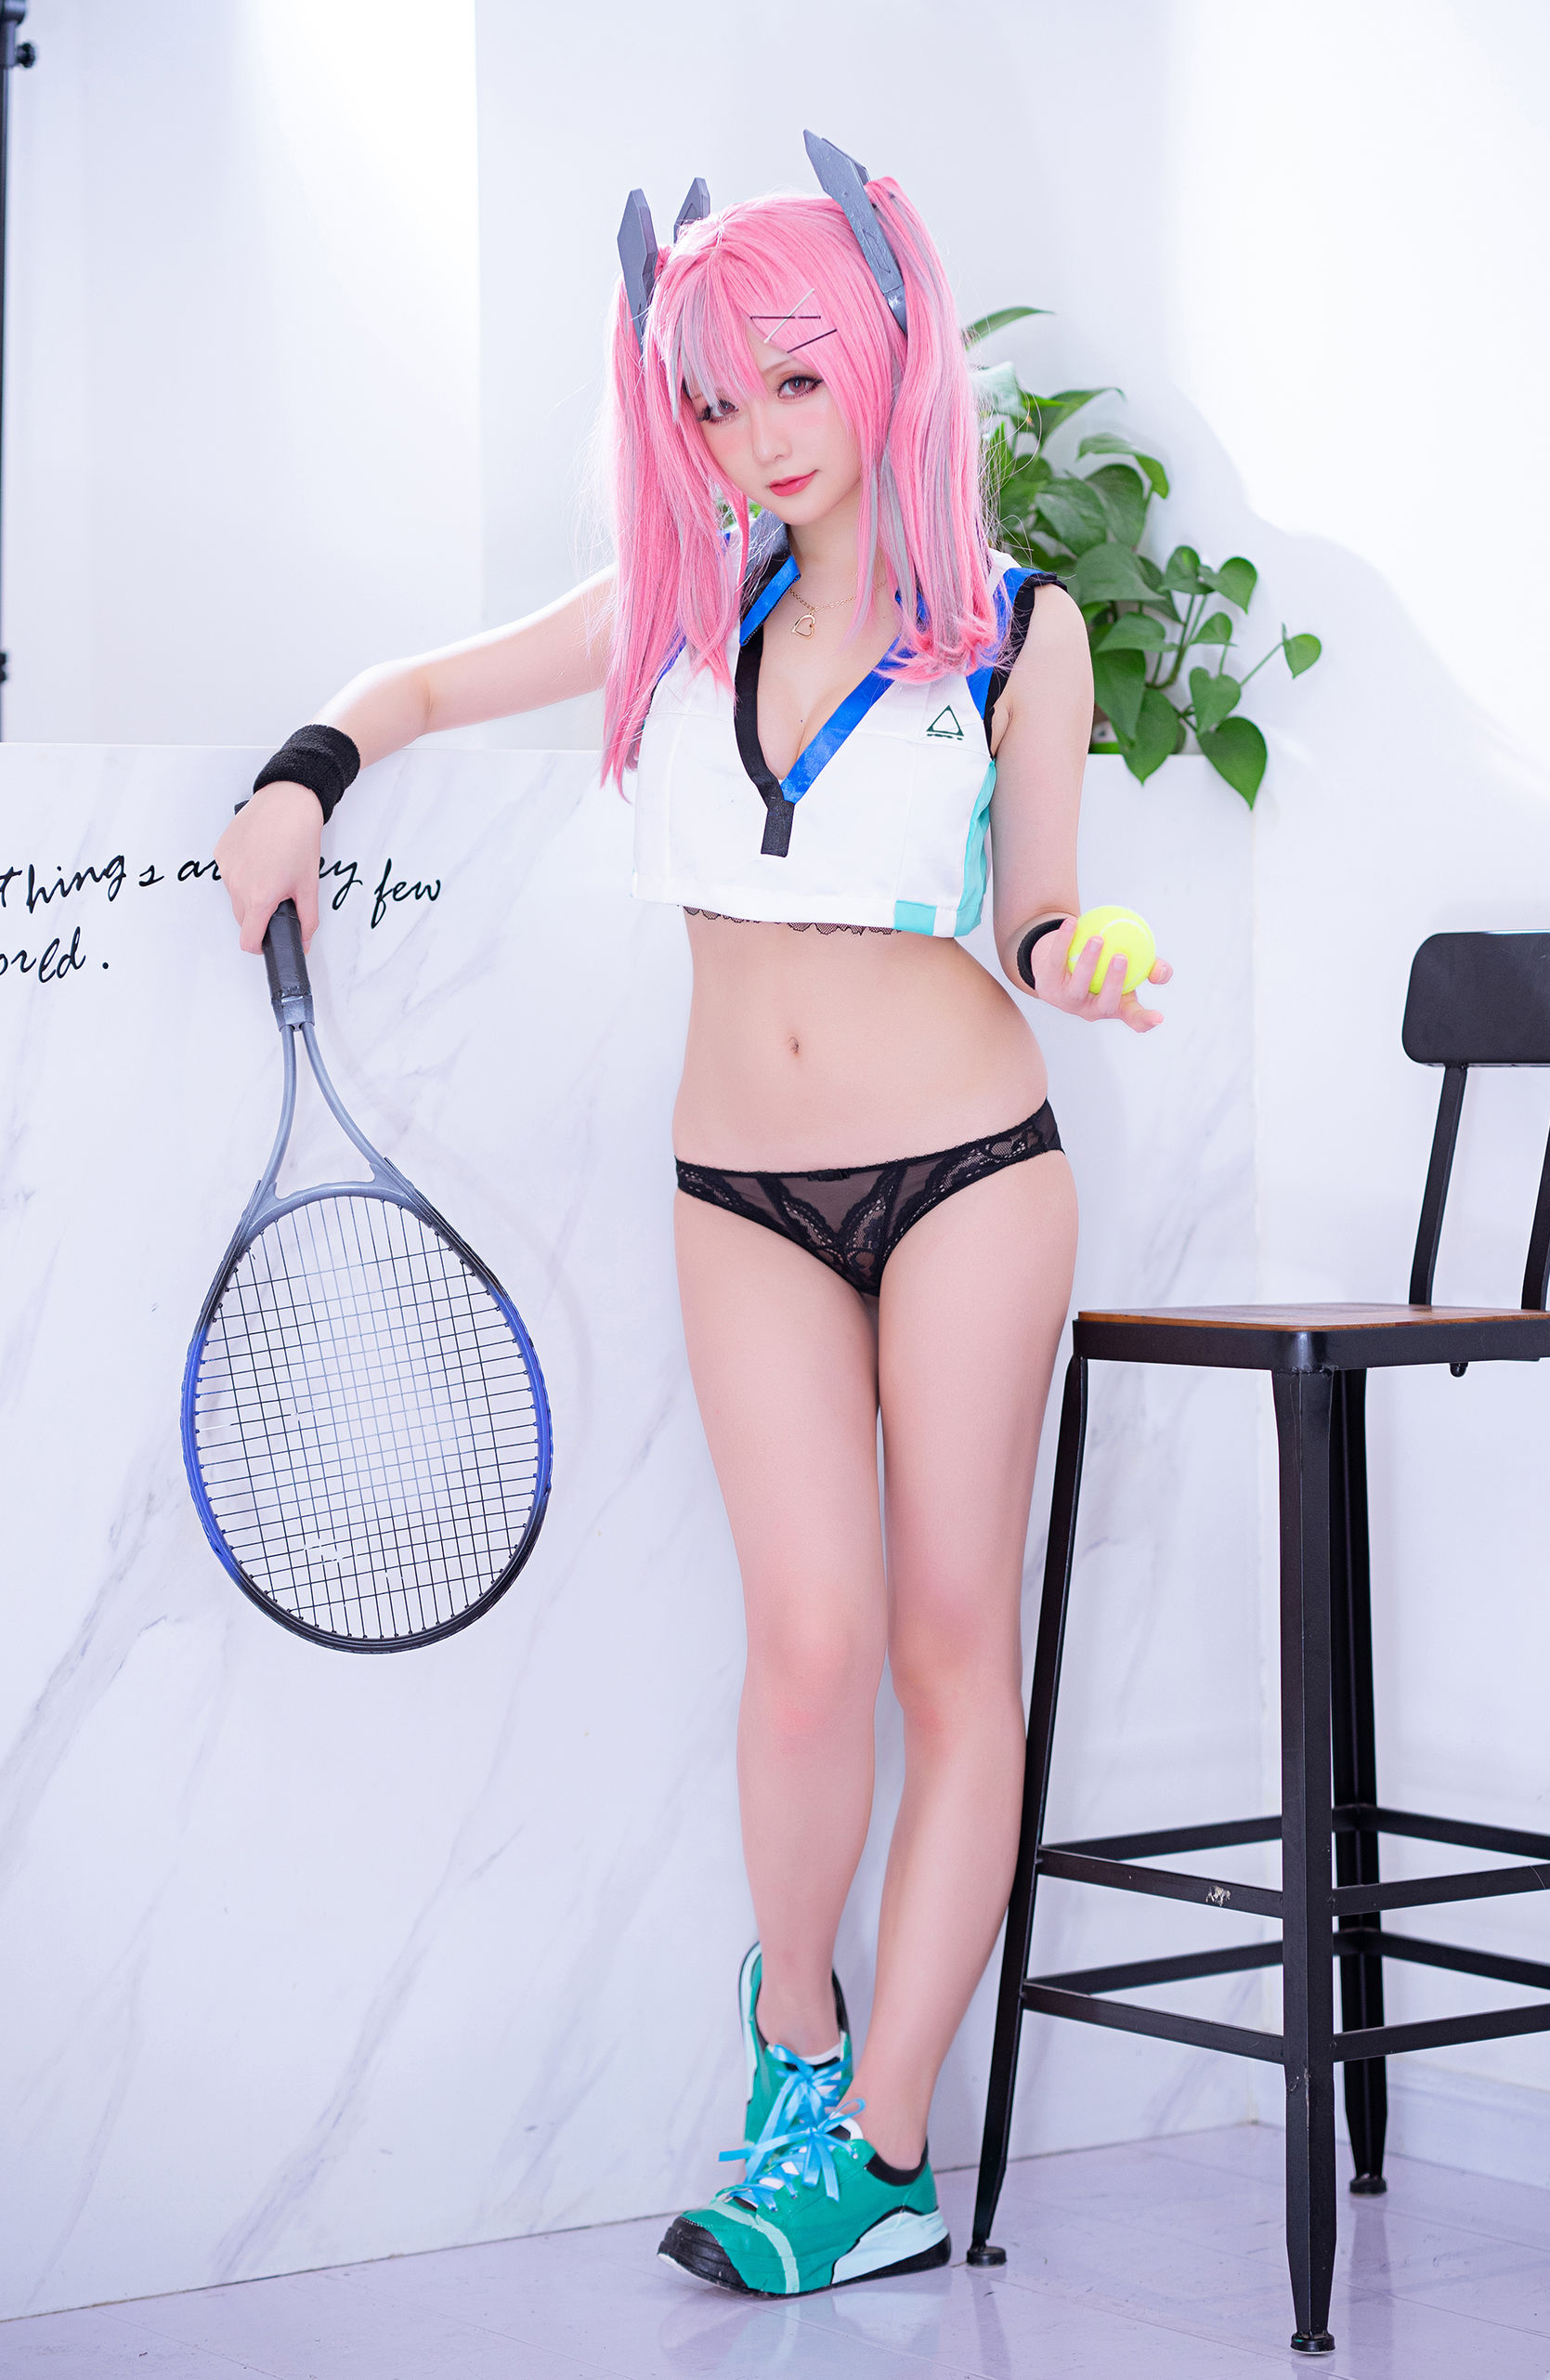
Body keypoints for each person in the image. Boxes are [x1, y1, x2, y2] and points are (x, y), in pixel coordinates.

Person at [215, 145, 1170, 2300]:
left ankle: (887, 2154)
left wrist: (1083, 956)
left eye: (792, 382)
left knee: (947, 1646)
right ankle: (796, 2038)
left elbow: (1035, 911)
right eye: (715, 401)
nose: (755, 437)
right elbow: (414, 689)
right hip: (739, 1191)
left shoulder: (1019, 629)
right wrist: (297, 783)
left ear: (888, 361)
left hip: (974, 1175)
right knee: (809, 1646)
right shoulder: (670, 610)